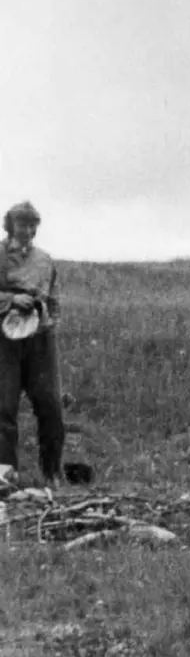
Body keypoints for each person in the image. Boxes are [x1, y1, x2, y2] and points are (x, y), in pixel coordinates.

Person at [0, 201, 65, 488]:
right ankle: (5, 474)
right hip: (4, 340)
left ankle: (52, 472)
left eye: (32, 225)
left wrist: (47, 318)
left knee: (50, 403)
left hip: (40, 338)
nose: (27, 230)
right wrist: (11, 300)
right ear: (10, 225)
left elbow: (54, 299)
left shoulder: (45, 260)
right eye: (22, 224)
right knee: (4, 406)